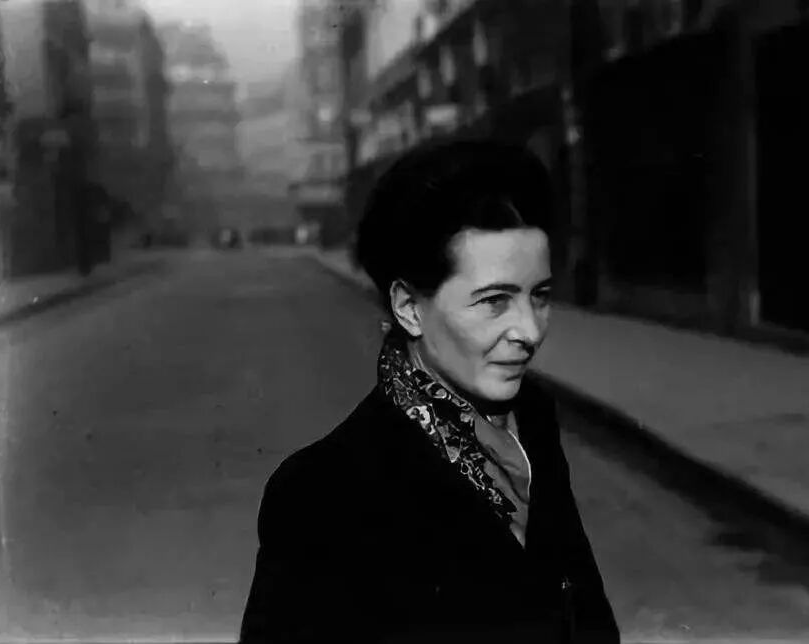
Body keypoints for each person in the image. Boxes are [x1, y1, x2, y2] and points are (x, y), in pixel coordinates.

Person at [240, 139, 619, 643]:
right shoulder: (321, 494)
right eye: (494, 301)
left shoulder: (533, 425)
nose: (529, 330)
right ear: (409, 308)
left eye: (540, 296)